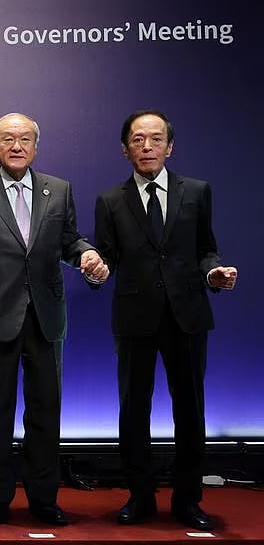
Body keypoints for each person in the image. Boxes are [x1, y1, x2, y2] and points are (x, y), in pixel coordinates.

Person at [0, 112, 109, 527]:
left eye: (25, 139)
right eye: (8, 139)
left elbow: (70, 240)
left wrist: (86, 256)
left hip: (46, 317)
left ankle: (44, 500)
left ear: (36, 146)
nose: (17, 146)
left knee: (45, 412)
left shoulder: (60, 189)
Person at [94, 110, 237, 531]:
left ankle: (188, 499)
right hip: (135, 317)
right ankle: (139, 497)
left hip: (187, 315)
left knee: (190, 411)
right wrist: (96, 266)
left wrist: (214, 272)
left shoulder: (196, 192)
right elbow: (107, 255)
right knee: (133, 411)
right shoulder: (109, 200)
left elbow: (206, 249)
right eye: (137, 140)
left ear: (169, 147)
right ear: (125, 149)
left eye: (156, 139)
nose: (147, 147)